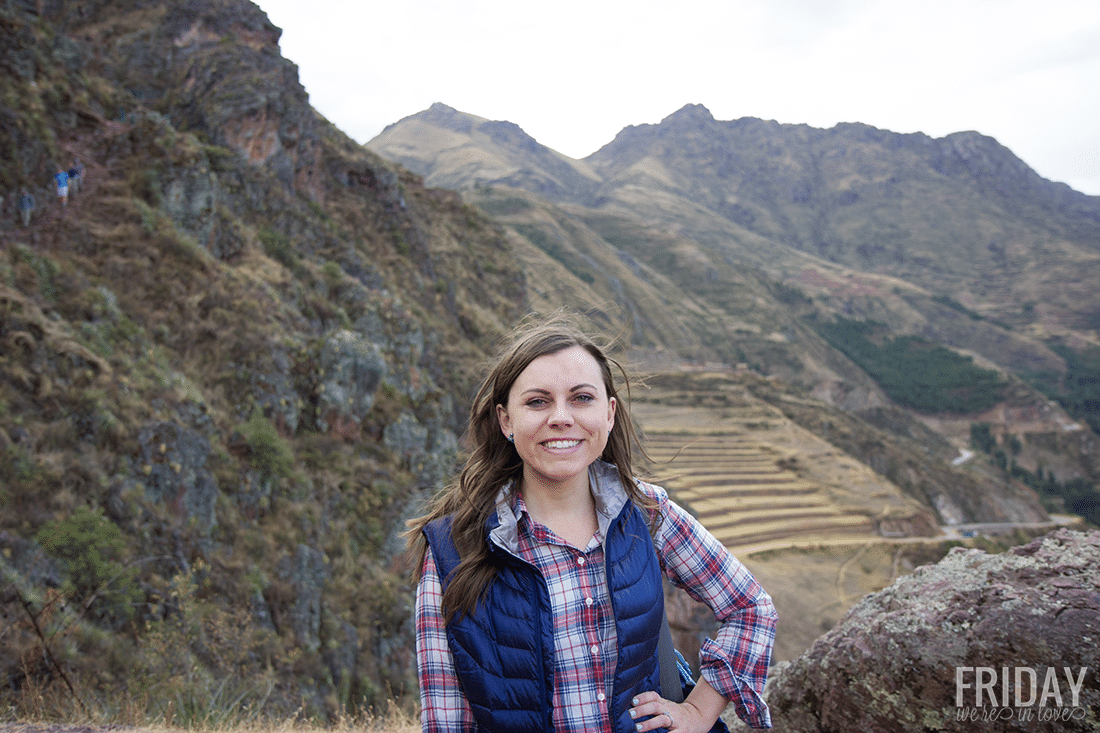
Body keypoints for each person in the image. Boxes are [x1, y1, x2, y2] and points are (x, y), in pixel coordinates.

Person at [407, 313, 777, 733]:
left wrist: (698, 712)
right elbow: (446, 718)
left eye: (582, 398)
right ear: (506, 420)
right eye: (537, 401)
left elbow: (751, 607)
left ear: (610, 413)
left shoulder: (647, 513)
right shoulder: (453, 549)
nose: (561, 417)